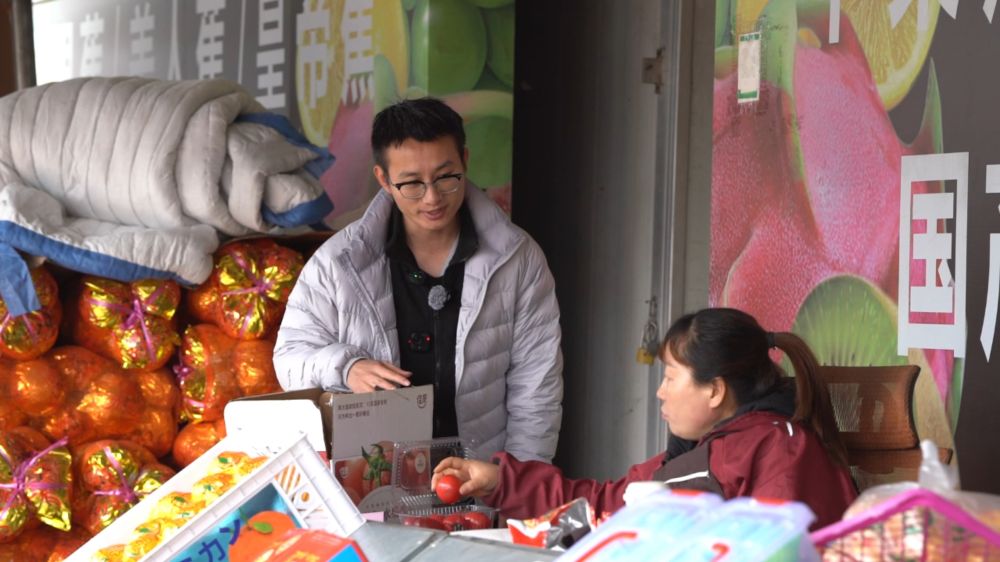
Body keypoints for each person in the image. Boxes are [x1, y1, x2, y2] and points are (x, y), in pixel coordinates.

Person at [274, 97, 564, 462]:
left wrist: (517, 482)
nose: (432, 198)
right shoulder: (338, 263)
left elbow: (536, 388)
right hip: (375, 479)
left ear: (465, 161)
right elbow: (290, 359)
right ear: (384, 179)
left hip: (481, 478)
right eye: (412, 183)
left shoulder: (517, 259)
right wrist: (346, 367)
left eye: (446, 177)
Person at [432, 308, 858, 528]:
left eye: (670, 377)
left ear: (714, 390)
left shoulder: (782, 450)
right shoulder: (704, 452)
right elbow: (607, 503)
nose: (660, 392)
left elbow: (783, 546)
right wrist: (501, 481)